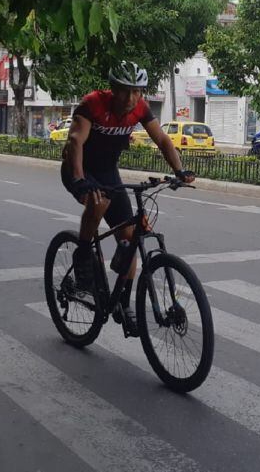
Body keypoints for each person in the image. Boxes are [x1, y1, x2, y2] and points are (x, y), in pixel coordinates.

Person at [61, 60, 194, 333]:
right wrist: (79, 180)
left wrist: (179, 171)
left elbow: (163, 140)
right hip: (79, 168)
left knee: (131, 236)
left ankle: (123, 302)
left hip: (108, 172)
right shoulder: (93, 104)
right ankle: (84, 255)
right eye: (124, 90)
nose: (131, 98)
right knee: (100, 202)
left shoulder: (140, 109)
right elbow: (76, 141)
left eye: (137, 91)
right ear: (113, 88)